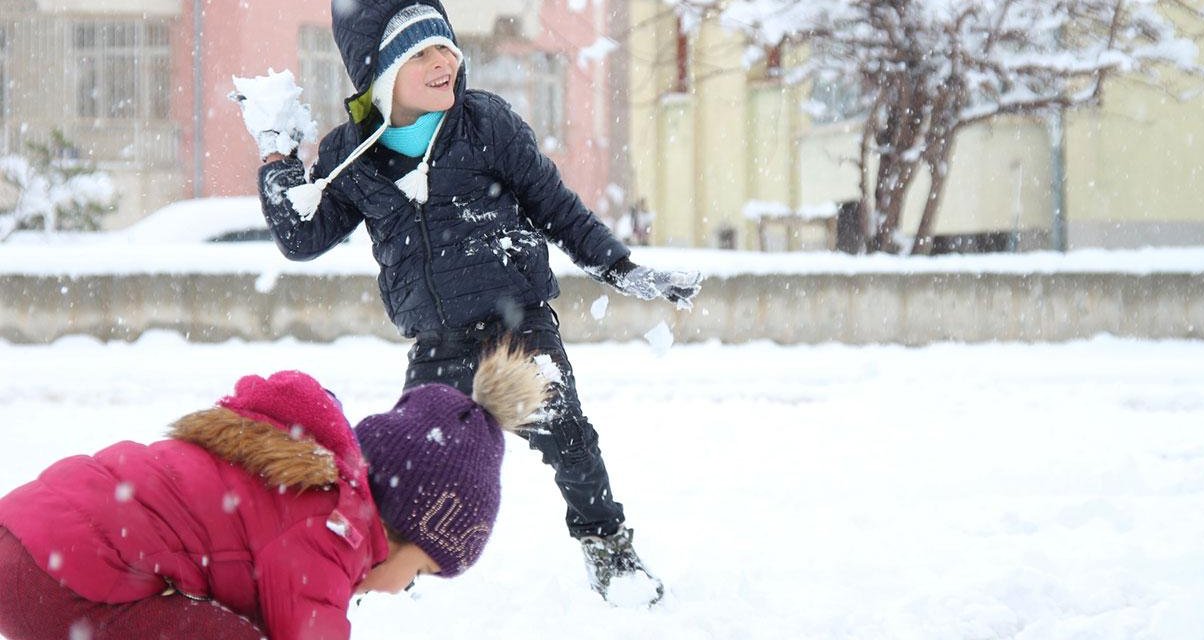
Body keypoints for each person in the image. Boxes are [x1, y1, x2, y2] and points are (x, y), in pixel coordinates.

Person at [237, 0, 702, 605]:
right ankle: (381, 564)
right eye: (423, 53)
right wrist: (277, 157)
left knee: (570, 441)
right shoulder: (351, 156)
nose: (444, 63)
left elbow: (555, 206)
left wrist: (621, 267)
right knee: (404, 465)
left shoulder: (485, 125)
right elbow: (301, 237)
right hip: (437, 342)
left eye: (447, 48)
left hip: (518, 329)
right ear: (381, 73)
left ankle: (607, 546)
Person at [0, 343, 547, 640]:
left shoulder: (306, 487)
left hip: (29, 540)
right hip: (58, 584)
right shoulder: (332, 531)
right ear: (399, 525)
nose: (400, 589)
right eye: (422, 573)